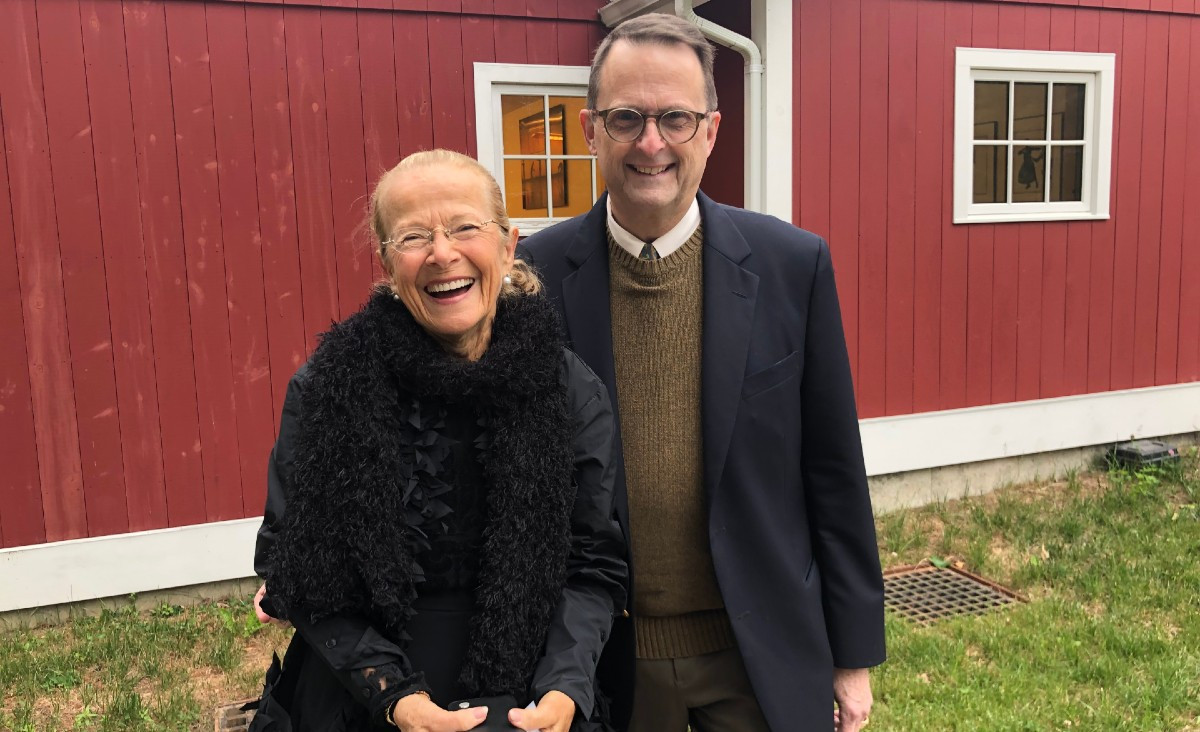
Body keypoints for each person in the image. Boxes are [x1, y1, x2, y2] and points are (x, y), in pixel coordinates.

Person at [517, 13, 885, 732]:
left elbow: (833, 471)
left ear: (711, 131)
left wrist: (852, 656)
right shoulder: (534, 277)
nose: (650, 143)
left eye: (675, 119)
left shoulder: (792, 266)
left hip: (759, 651)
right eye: (626, 118)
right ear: (591, 130)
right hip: (604, 660)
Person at [249, 149, 628, 732]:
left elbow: (593, 562)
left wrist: (565, 688)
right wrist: (395, 697)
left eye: (464, 227)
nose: (442, 253)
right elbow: (295, 568)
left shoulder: (568, 388)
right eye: (414, 236)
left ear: (506, 244)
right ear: (386, 261)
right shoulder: (329, 388)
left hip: (529, 703)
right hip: (361, 701)